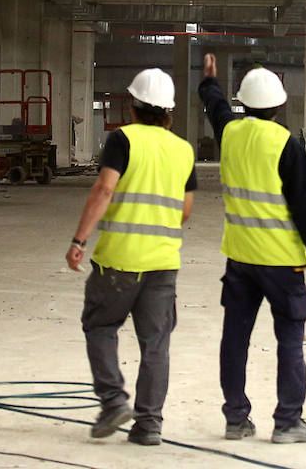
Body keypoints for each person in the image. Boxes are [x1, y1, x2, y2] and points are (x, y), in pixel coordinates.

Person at [198, 54, 306, 444]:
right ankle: (288, 422)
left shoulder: (229, 131)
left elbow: (215, 105)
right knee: (289, 341)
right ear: (280, 106)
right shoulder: (287, 145)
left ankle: (235, 419)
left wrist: (209, 79)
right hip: (282, 263)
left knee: (235, 339)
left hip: (241, 259)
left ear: (244, 103)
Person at [66, 68, 197, 447]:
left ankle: (112, 401)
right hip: (163, 262)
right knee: (156, 344)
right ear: (169, 111)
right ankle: (149, 425)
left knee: (101, 327)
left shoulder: (122, 139)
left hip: (119, 261)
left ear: (133, 104)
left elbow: (105, 188)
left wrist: (79, 239)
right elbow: (186, 211)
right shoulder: (184, 149)